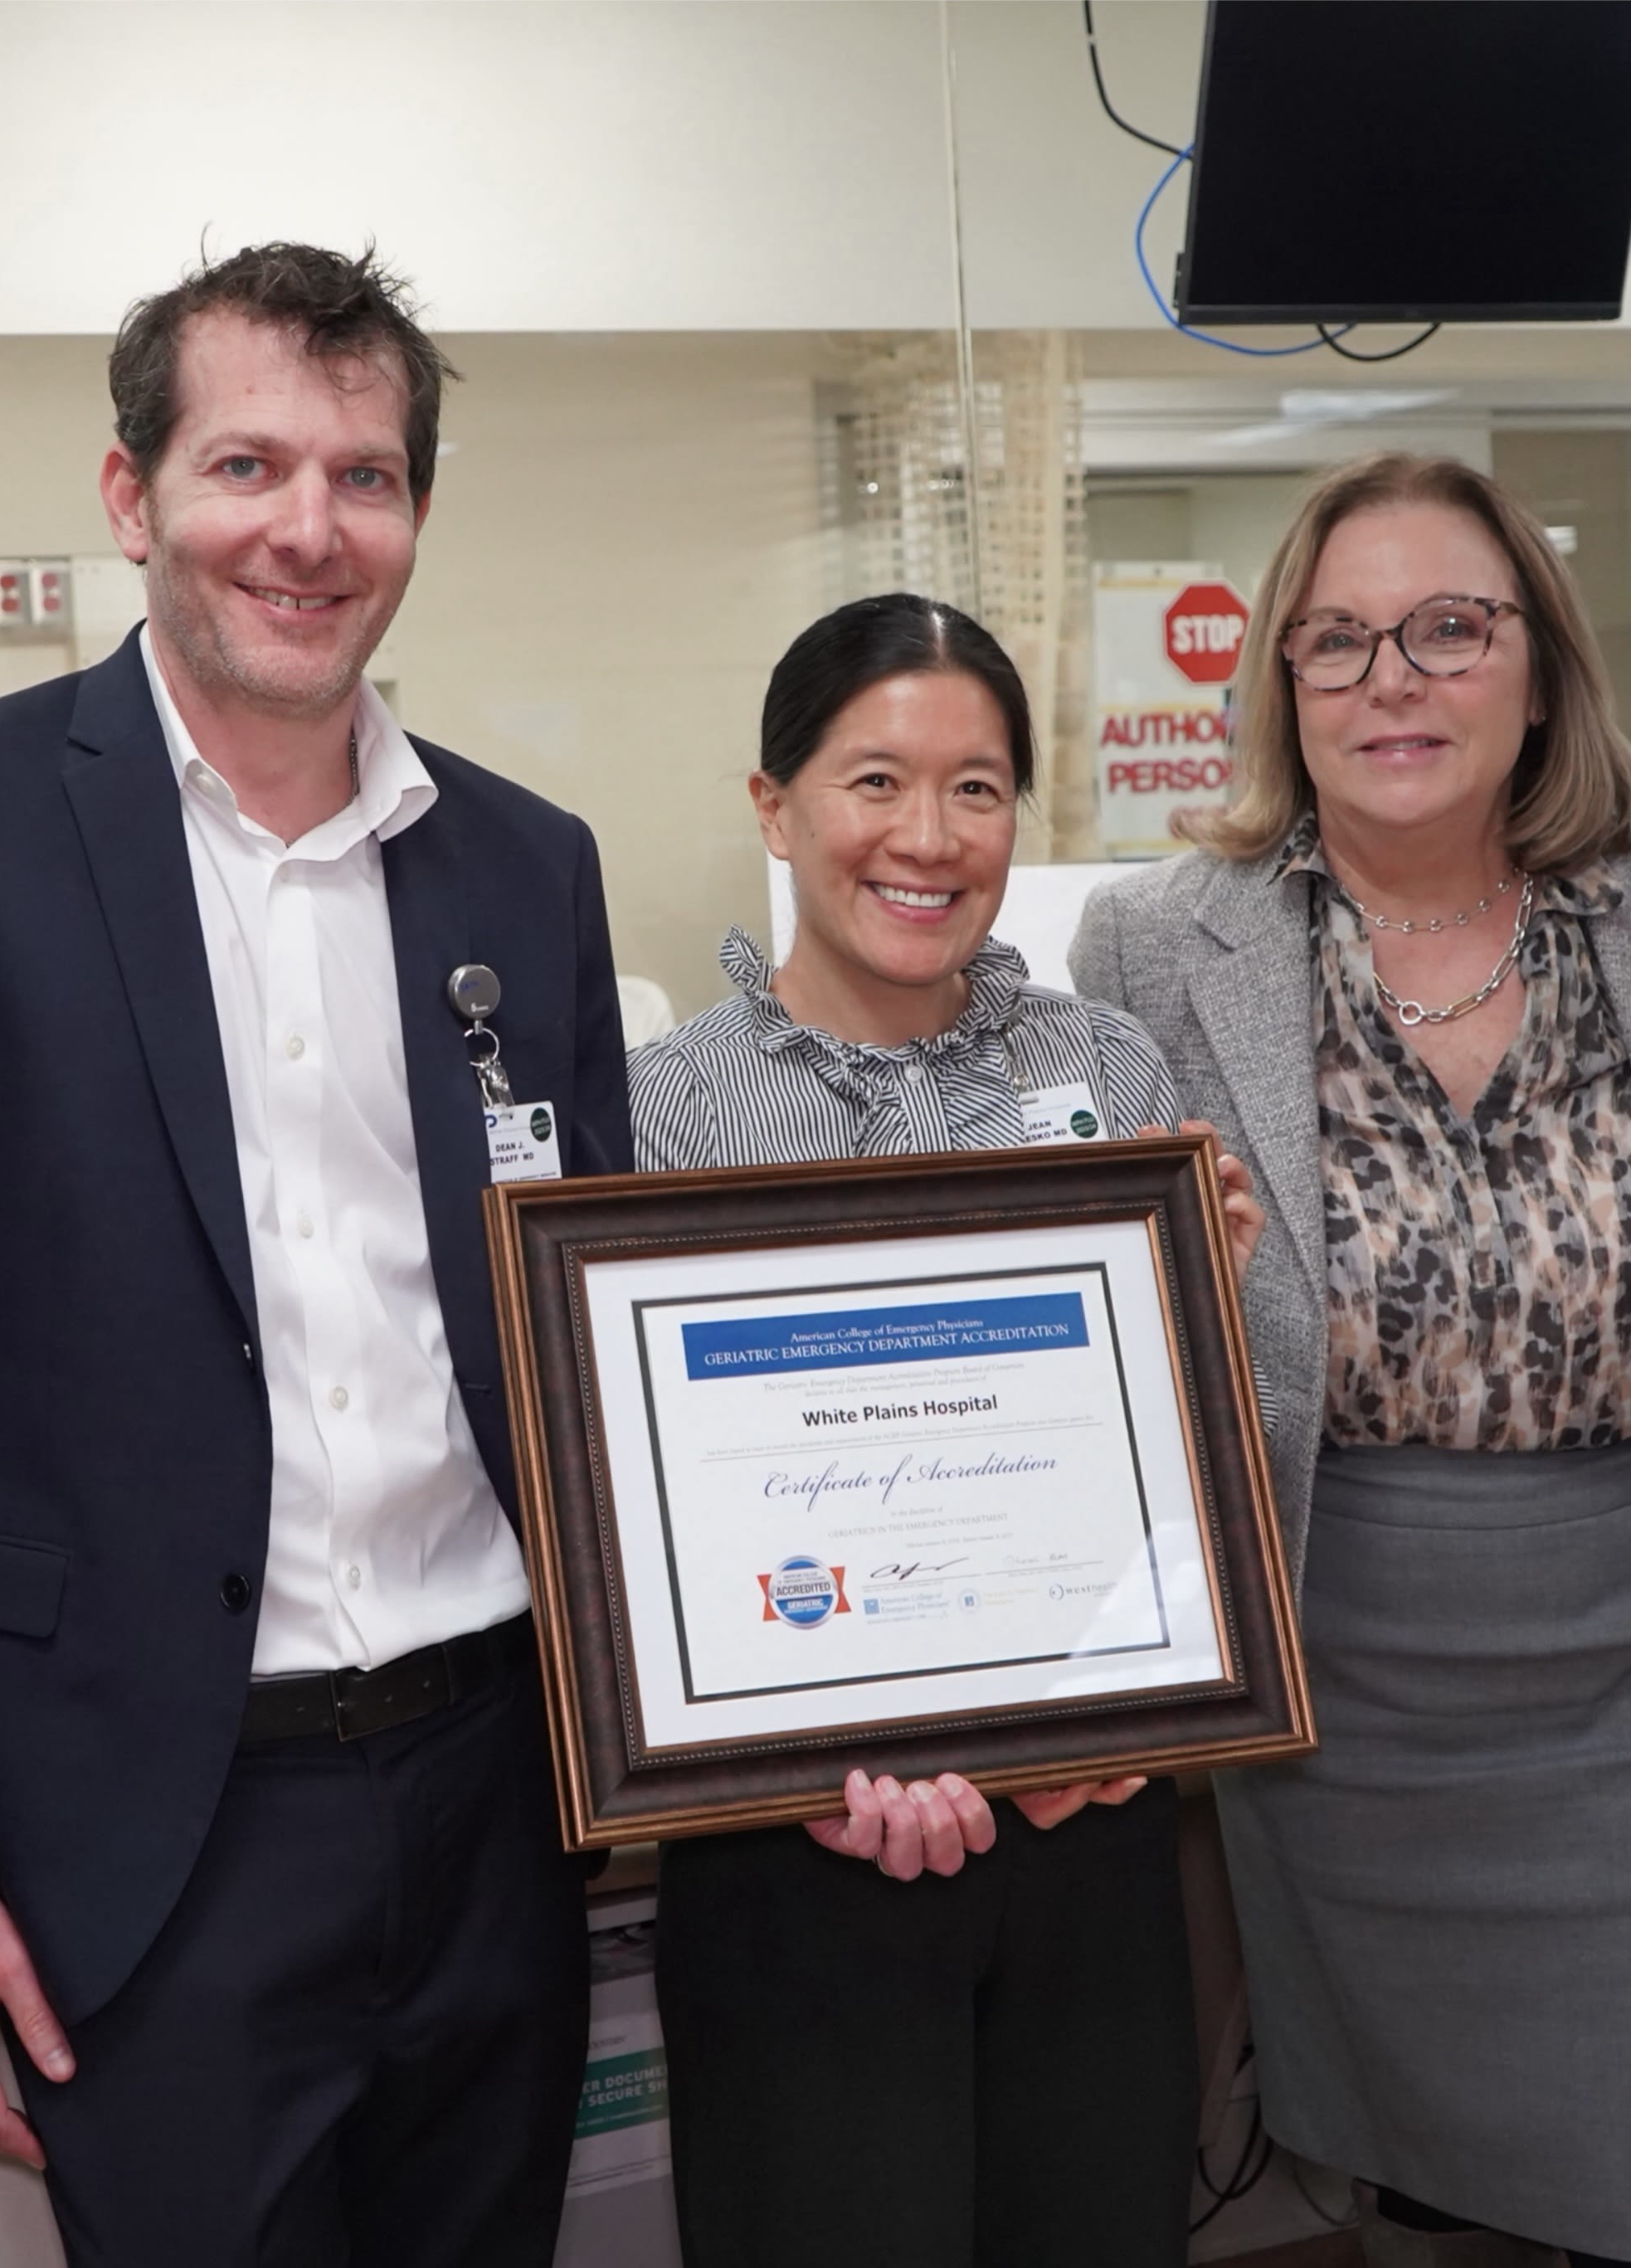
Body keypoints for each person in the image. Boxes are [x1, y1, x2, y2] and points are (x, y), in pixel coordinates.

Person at [0, 243, 625, 2266]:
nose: (310, 532)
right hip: (143, 1834)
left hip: (495, 1789)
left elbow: (581, 1338)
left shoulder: (527, 865)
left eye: (368, 475)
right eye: (249, 465)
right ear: (132, 495)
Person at [1073, 453, 1631, 2268]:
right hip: (1347, 1681)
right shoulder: (1160, 945)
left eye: (1450, 628)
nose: (1394, 677)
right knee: (1415, 2195)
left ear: (1536, 666)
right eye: (1338, 640)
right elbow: (1110, 1317)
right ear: (1286, 688)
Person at [631, 592, 1263, 2268]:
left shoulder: (1108, 1068)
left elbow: (1176, 1478)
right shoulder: (663, 1113)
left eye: (978, 787)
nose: (928, 836)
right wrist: (809, 1771)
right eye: (874, 781)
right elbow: (643, 1531)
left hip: (1092, 1832)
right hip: (792, 1851)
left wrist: (1200, 1313)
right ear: (773, 805)